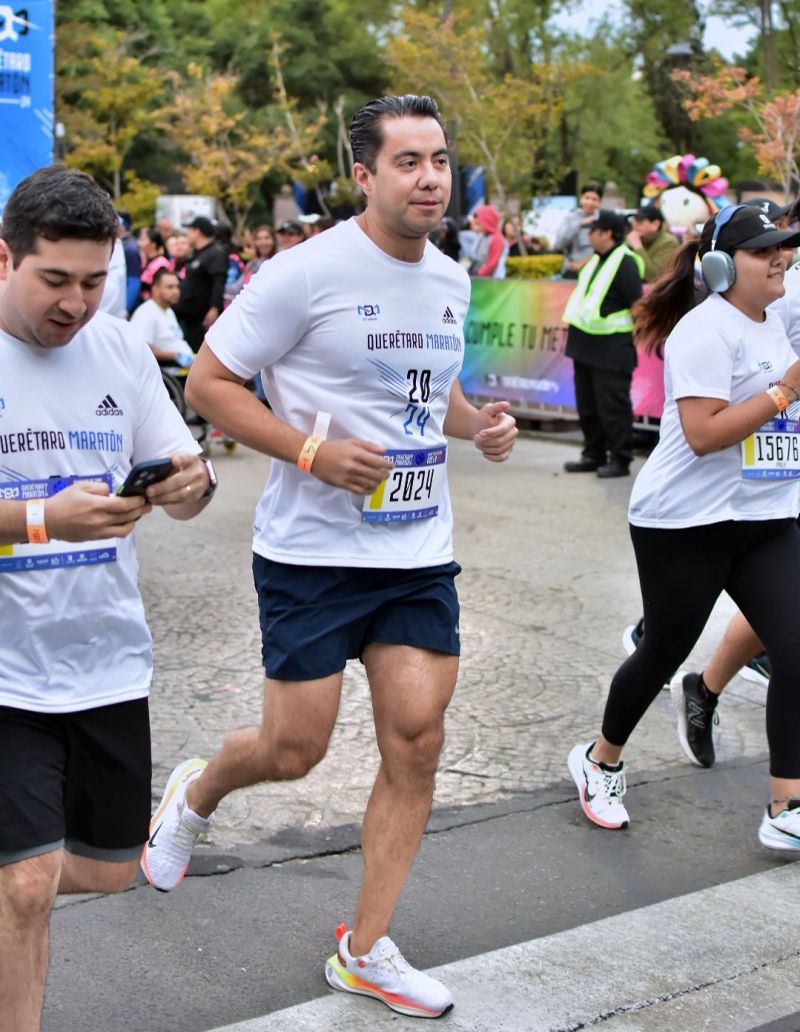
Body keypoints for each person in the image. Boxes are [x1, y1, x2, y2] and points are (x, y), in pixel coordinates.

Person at [141, 93, 518, 1019]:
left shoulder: (450, 278)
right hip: (313, 554)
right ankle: (199, 789)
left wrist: (481, 428)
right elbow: (210, 382)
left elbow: (439, 394)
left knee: (417, 740)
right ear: (364, 173)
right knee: (294, 748)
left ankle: (366, 946)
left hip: (417, 548)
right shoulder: (304, 275)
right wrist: (310, 452)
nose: (430, 178)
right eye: (408, 162)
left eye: (440, 161)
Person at [0, 164, 217, 1032]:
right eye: (54, 279)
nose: (76, 302)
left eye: (93, 281)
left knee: (109, 868)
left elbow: (190, 482)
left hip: (106, 663)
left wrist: (187, 486)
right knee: (28, 885)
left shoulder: (123, 345)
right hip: (7, 674)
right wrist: (43, 519)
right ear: (4, 259)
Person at [567, 204, 800, 853]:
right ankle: (601, 759)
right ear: (723, 266)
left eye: (785, 246)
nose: (781, 256)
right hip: (685, 522)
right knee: (665, 650)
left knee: (797, 649)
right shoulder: (704, 331)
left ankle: (787, 804)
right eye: (766, 250)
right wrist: (785, 393)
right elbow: (702, 435)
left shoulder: (777, 319)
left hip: (764, 517)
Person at [562, 209, 644, 478]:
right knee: (588, 406)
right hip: (585, 343)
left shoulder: (626, 262)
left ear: (607, 233)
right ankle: (593, 454)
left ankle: (620, 459)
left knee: (613, 407)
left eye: (594, 230)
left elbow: (637, 304)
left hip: (611, 347)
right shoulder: (595, 260)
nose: (589, 234)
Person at [173, 216, 228, 352]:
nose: (187, 234)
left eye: (189, 230)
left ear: (197, 231)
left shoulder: (215, 253)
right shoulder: (197, 254)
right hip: (188, 316)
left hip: (201, 319)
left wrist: (214, 308)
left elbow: (218, 282)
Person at [129, 267, 195, 365]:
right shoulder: (146, 312)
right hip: (168, 370)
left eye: (177, 287)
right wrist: (175, 355)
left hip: (183, 367)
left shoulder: (169, 311)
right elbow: (142, 347)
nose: (176, 291)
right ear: (155, 289)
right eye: (170, 287)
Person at [553, 181, 603, 278]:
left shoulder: (602, 220)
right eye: (587, 198)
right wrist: (579, 224)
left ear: (600, 202)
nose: (590, 202)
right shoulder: (571, 218)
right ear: (581, 198)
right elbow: (558, 244)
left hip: (596, 270)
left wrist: (585, 262)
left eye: (594, 199)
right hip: (573, 270)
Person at [626, 205, 678, 283]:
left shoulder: (669, 243)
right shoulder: (631, 240)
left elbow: (654, 277)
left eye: (639, 221)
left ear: (655, 224)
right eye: (633, 220)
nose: (634, 224)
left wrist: (637, 246)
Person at [137, 227, 171, 306]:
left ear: (153, 244)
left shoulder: (161, 263)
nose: (139, 243)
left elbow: (160, 287)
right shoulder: (145, 260)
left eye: (143, 240)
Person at [471, 203, 507, 278]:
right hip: (481, 278)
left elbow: (492, 265)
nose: (477, 220)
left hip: (491, 281)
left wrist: (477, 274)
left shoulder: (497, 238)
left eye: (479, 221)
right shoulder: (483, 235)